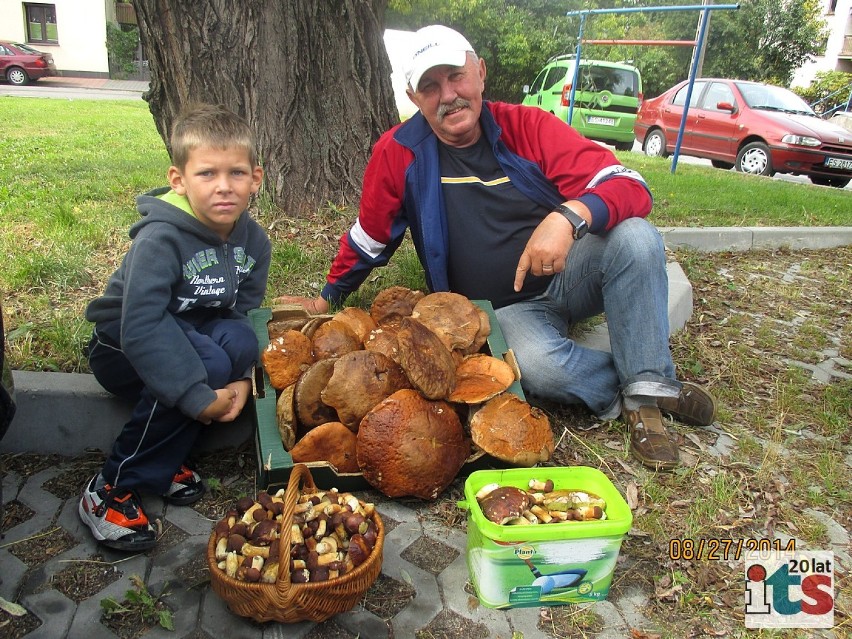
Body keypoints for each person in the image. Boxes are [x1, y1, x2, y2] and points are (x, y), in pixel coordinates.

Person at [276, 25, 716, 470]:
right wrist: (327, 297)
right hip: (501, 313)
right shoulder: (399, 152)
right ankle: (634, 384)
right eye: (430, 86)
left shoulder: (528, 126)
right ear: (414, 97)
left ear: (480, 73)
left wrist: (567, 218)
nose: (448, 95)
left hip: (568, 274)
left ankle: (648, 399)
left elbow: (629, 185)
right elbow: (370, 237)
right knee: (539, 369)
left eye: (456, 77)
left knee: (636, 237)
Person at [79, 104, 270, 551]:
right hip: (121, 343)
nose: (224, 187)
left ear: (255, 178)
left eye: (237, 173)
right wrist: (196, 397)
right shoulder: (160, 238)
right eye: (206, 174)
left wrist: (244, 378)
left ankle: (163, 460)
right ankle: (110, 487)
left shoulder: (254, 241)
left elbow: (242, 313)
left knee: (238, 342)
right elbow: (142, 324)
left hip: (189, 331)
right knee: (201, 362)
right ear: (178, 180)